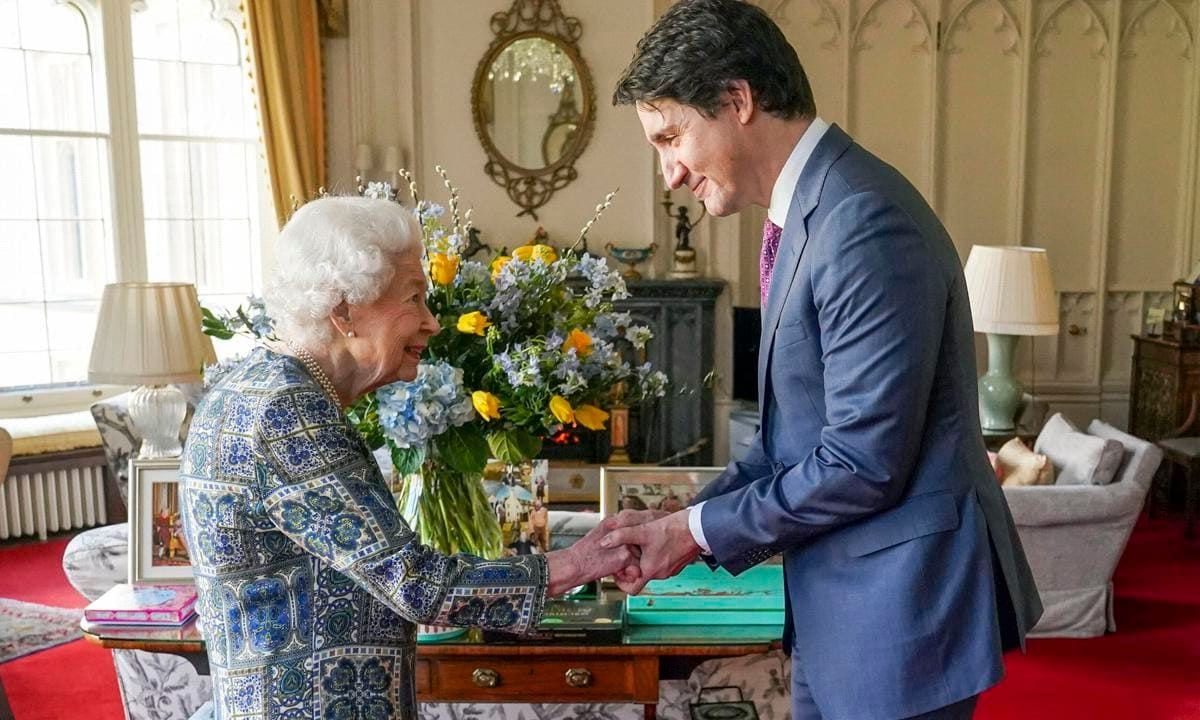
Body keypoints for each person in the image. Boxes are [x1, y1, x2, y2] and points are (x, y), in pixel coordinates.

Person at [602, 2, 1043, 718]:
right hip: (845, 611)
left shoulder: (863, 220)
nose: (670, 175)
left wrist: (691, 533)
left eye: (671, 137)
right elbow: (791, 442)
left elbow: (862, 463)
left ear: (737, 100)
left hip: (900, 616)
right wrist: (680, 520)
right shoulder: (808, 210)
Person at [179, 197, 636, 720]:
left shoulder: (253, 387)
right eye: (414, 299)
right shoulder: (287, 412)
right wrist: (576, 563)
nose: (432, 324)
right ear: (344, 310)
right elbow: (415, 582)